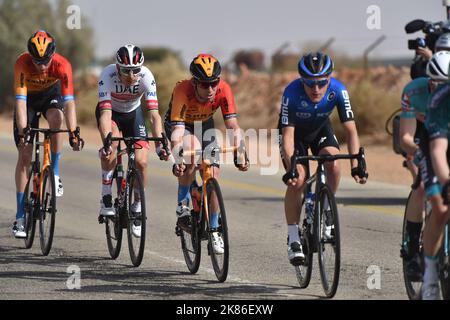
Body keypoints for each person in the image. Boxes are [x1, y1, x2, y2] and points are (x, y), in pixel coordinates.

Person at [278, 52, 368, 266]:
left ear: (329, 78)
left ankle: (326, 210)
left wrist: (356, 165)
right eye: (310, 83)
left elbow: (352, 132)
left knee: (334, 164)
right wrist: (291, 167)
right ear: (302, 80)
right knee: (298, 180)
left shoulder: (339, 90)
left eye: (321, 83)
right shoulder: (291, 93)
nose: (316, 89)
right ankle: (293, 237)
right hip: (294, 135)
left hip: (320, 129)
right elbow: (287, 137)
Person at [164, 53, 249, 254]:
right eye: (204, 84)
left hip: (205, 125)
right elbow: (177, 130)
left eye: (214, 83)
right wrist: (177, 156)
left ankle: (213, 230)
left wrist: (241, 151)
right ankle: (183, 203)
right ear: (194, 83)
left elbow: (232, 125)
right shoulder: (182, 90)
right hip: (180, 125)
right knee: (192, 152)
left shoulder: (223, 90)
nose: (210, 89)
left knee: (213, 175)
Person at [12, 30, 83, 239]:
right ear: (30, 55)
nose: (42, 66)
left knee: (56, 119)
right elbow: (20, 103)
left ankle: (56, 171)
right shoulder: (22, 63)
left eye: (45, 61)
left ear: (52, 55)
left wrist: (73, 132)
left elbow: (69, 102)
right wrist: (24, 131)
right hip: (29, 101)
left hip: (51, 95)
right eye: (37, 61)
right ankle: (19, 217)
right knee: (24, 155)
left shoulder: (62, 64)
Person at [96, 44, 169, 237]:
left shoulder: (146, 76)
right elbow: (104, 113)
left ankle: (137, 206)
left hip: (133, 114)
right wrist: (106, 141)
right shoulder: (107, 75)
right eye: (126, 71)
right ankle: (105, 196)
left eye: (135, 70)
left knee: (142, 161)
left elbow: (154, 115)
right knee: (112, 144)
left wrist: (161, 143)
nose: (131, 76)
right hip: (111, 113)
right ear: (117, 67)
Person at [399, 51, 450, 283]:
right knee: (421, 186)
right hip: (419, 140)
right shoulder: (414, 91)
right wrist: (421, 155)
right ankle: (410, 248)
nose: (439, 89)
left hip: (444, 136)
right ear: (428, 80)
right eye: (435, 84)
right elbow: (406, 138)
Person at [420, 50, 450, 300]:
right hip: (436, 150)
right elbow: (438, 150)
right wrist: (447, 182)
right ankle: (429, 278)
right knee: (441, 208)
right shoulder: (440, 100)